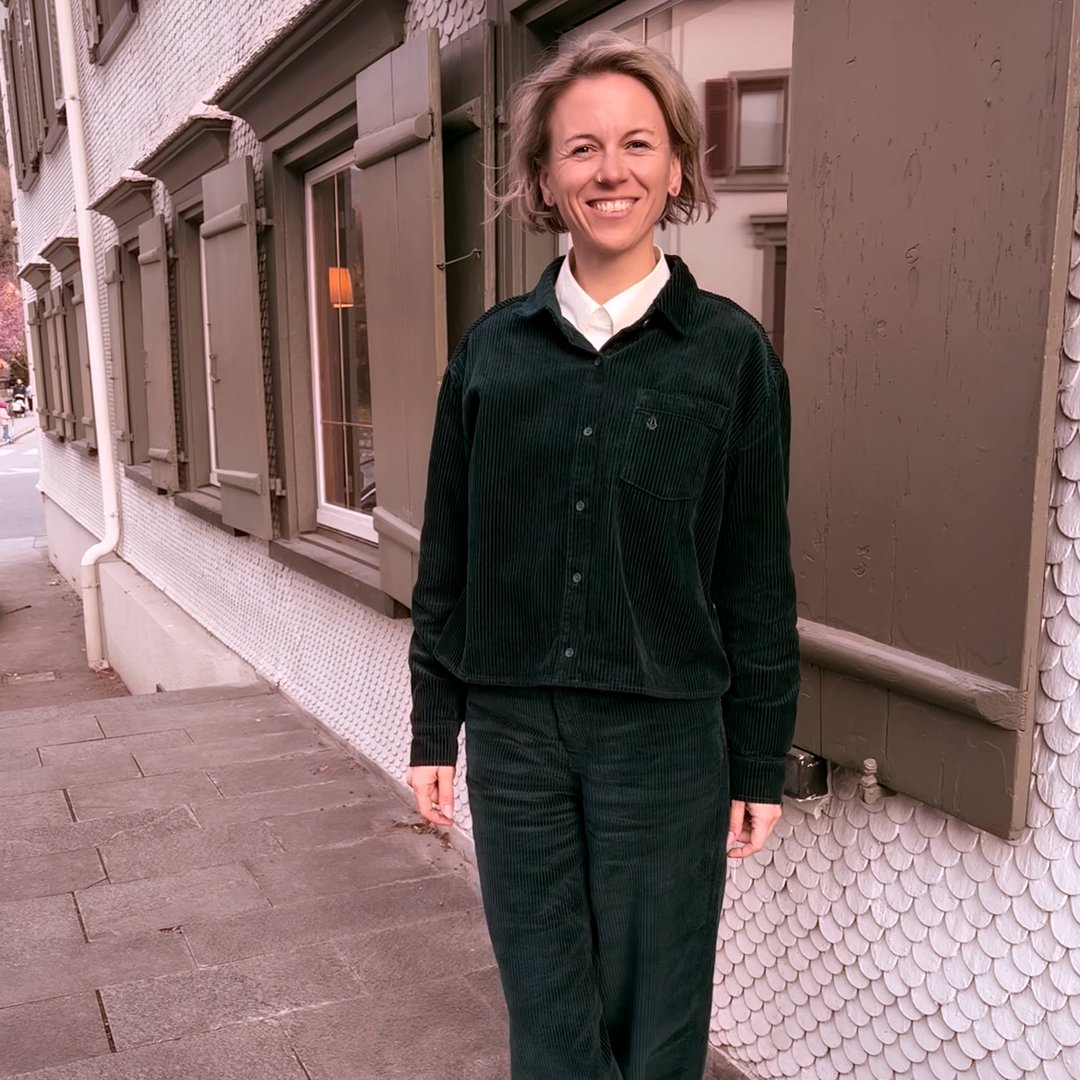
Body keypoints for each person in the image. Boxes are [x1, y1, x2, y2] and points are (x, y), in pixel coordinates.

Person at [405, 30, 799, 1080]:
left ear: (676, 168)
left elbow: (756, 577)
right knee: (548, 1017)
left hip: (665, 741)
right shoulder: (490, 355)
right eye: (581, 148)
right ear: (544, 176)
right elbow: (449, 559)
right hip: (516, 740)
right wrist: (434, 725)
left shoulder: (730, 355)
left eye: (636, 143)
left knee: (657, 1020)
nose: (609, 170)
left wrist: (758, 757)